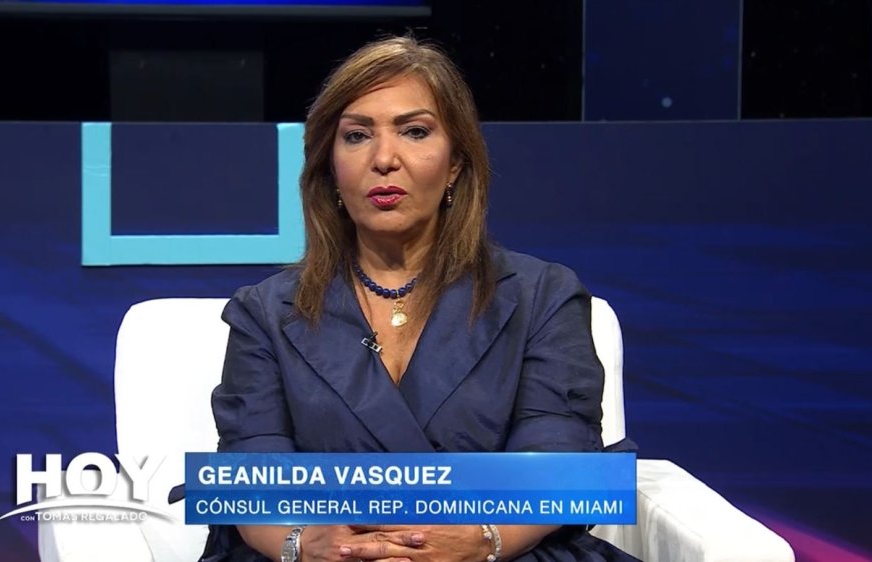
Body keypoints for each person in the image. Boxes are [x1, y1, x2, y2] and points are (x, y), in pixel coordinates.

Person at [201, 36, 640, 562]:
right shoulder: (264, 312)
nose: (384, 159)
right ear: (330, 167)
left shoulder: (543, 296)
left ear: (455, 162)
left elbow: (559, 461)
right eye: (357, 135)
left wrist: (482, 540)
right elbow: (252, 477)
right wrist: (303, 545)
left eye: (414, 131)